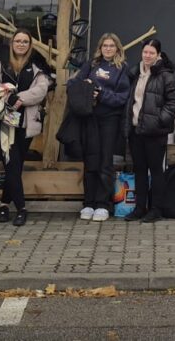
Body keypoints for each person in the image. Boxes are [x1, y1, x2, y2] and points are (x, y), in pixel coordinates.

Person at [0, 30, 52, 226]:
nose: (21, 44)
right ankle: (21, 208)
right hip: (1, 121)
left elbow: (41, 88)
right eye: (17, 41)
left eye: (25, 42)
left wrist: (21, 99)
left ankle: (4, 204)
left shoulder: (36, 64)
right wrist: (6, 95)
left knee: (15, 164)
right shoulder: (0, 60)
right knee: (11, 162)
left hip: (25, 122)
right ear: (12, 43)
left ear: (30, 45)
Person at [73, 33, 131, 222]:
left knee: (105, 163)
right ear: (100, 47)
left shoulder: (122, 68)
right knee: (91, 161)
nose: (108, 49)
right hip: (90, 118)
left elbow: (123, 97)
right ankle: (88, 203)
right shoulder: (91, 65)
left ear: (117, 48)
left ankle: (103, 204)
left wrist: (102, 94)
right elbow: (74, 84)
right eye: (105, 45)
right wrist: (87, 87)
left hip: (110, 120)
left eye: (111, 46)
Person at [126, 38, 175, 223]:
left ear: (158, 54)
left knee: (156, 171)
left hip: (155, 133)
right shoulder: (135, 73)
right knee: (139, 170)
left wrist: (160, 120)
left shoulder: (166, 75)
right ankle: (139, 208)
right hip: (136, 130)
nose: (147, 55)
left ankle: (156, 209)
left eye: (151, 52)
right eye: (145, 52)